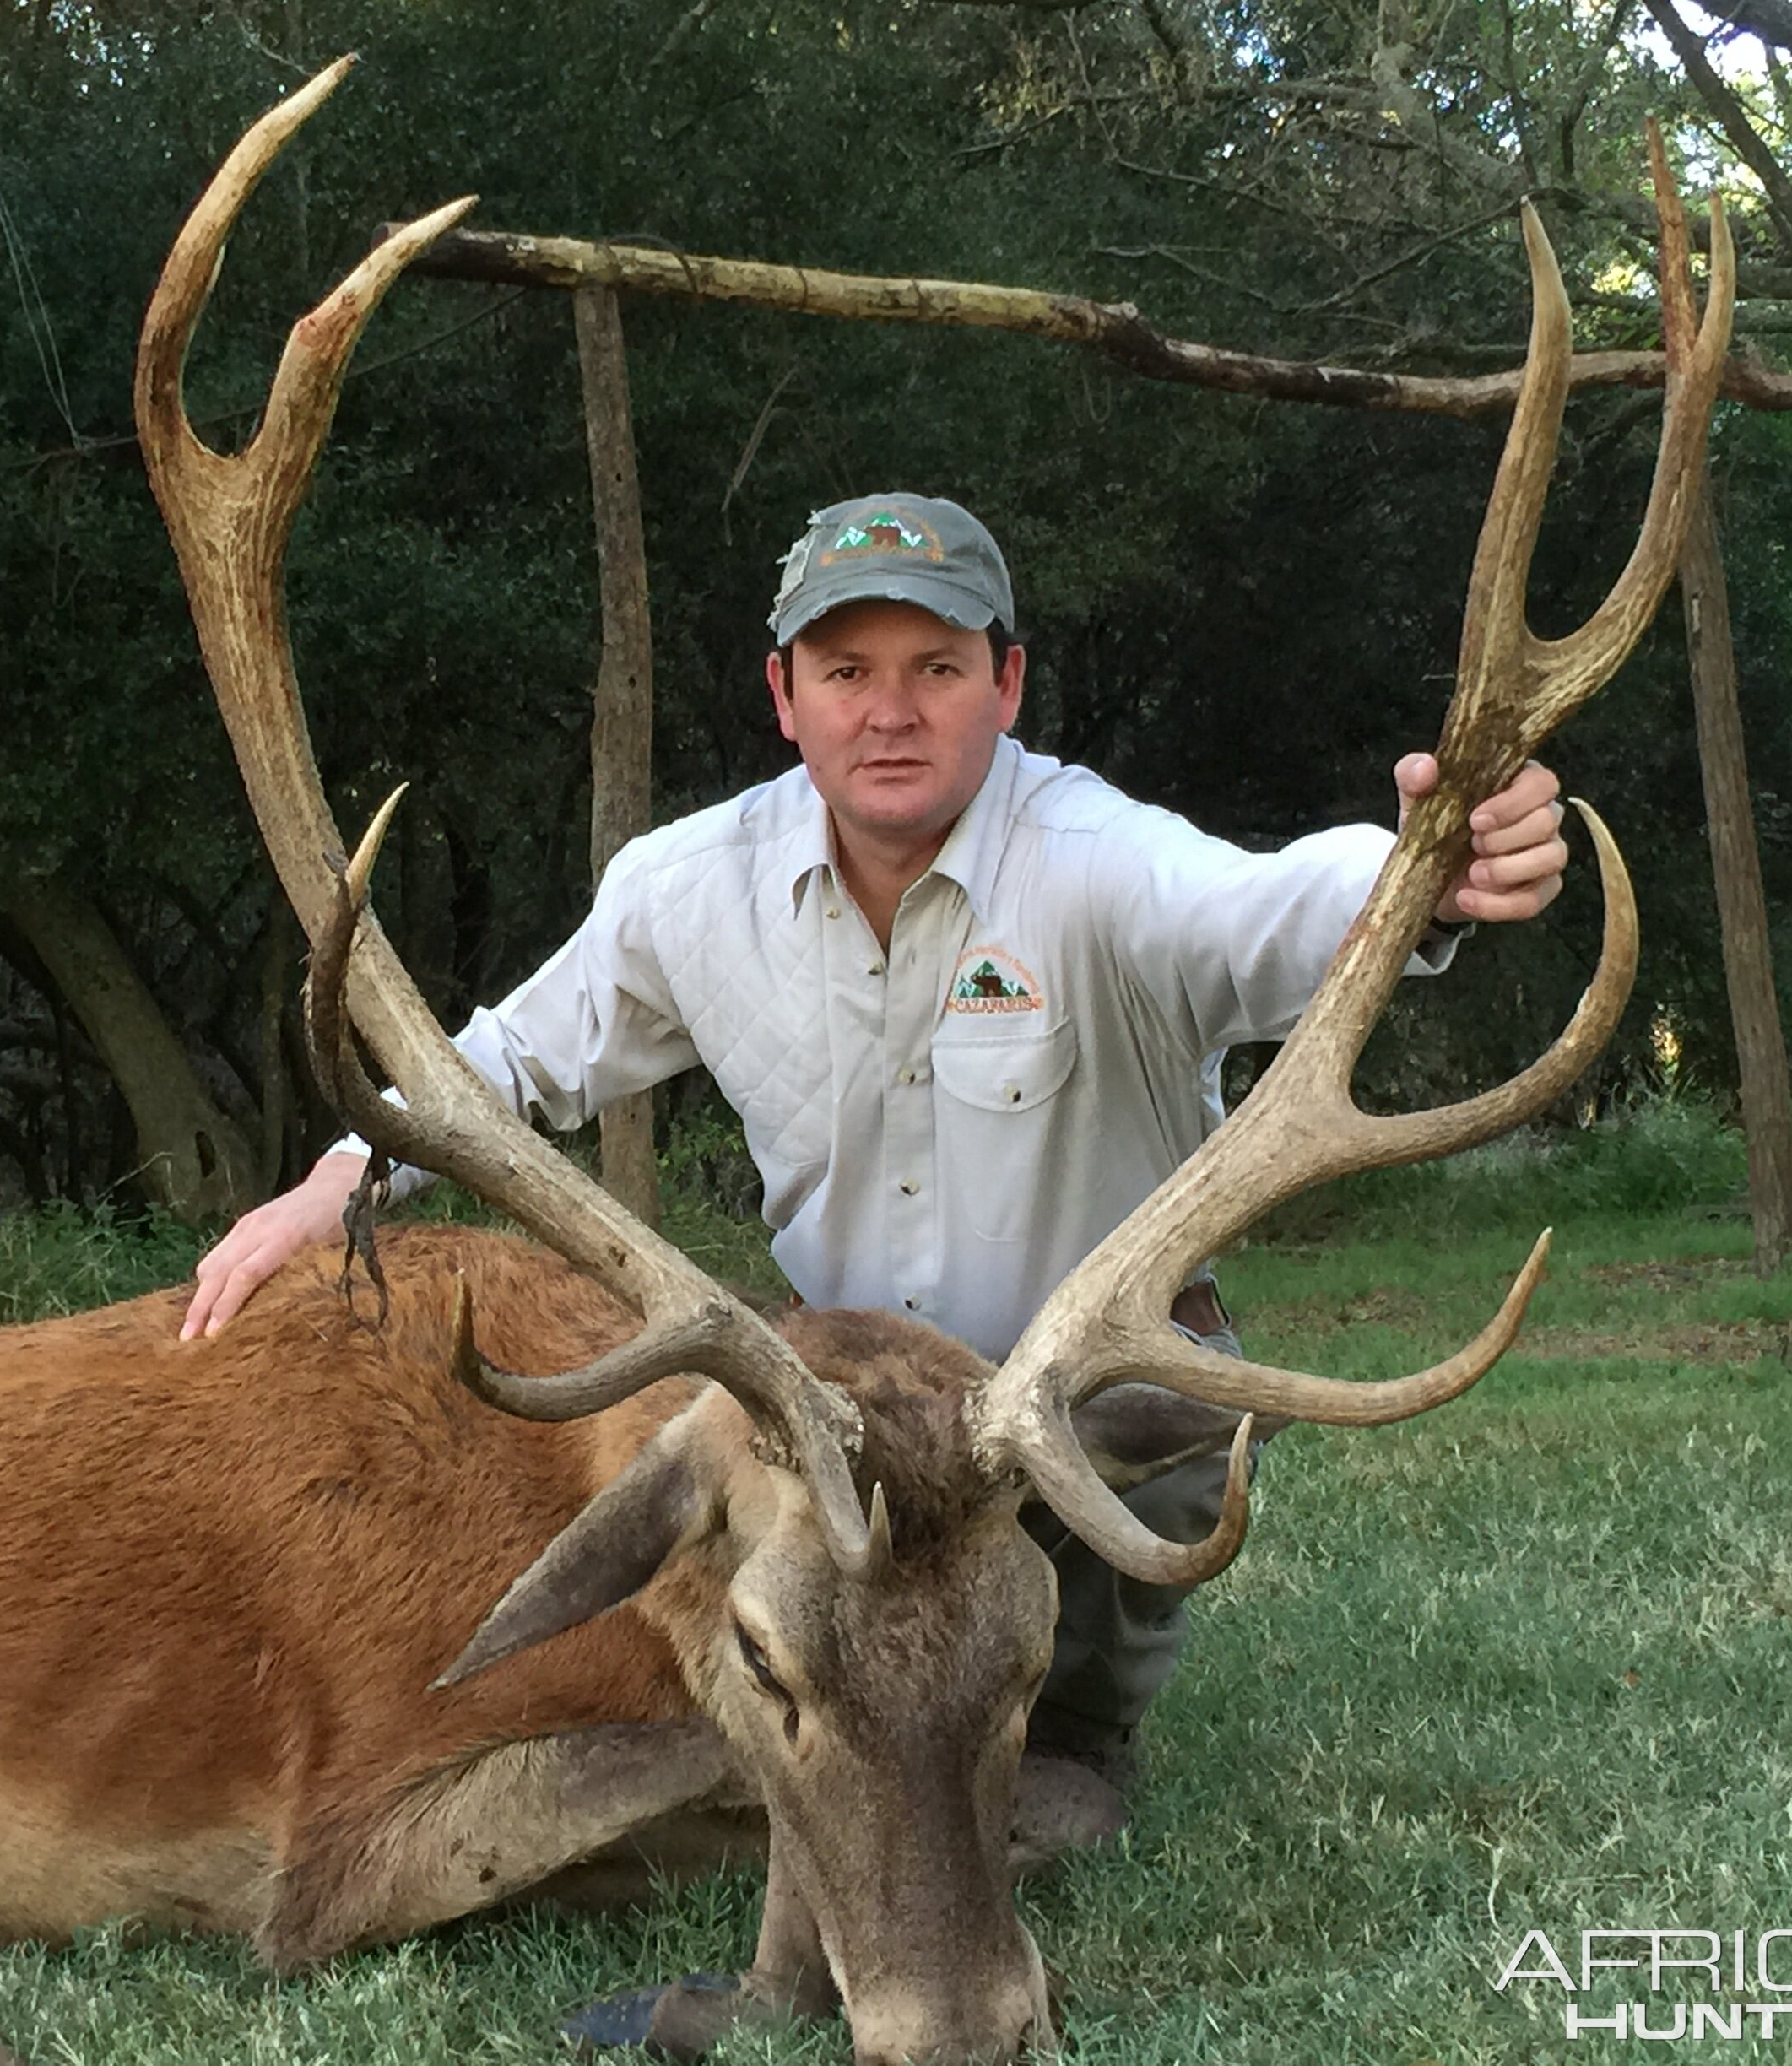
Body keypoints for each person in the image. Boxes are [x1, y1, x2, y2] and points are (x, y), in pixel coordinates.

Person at [182, 490, 1569, 1779]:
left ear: (1007, 686)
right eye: (847, 673)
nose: (890, 713)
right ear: (784, 695)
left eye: (938, 668)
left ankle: (1081, 1710)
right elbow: (506, 1064)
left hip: (1083, 1420)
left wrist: (1419, 877)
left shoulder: (1095, 862)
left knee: (1041, 1767)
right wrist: (345, 1175)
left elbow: (1264, 909)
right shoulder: (687, 890)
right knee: (794, 1746)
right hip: (837, 1434)